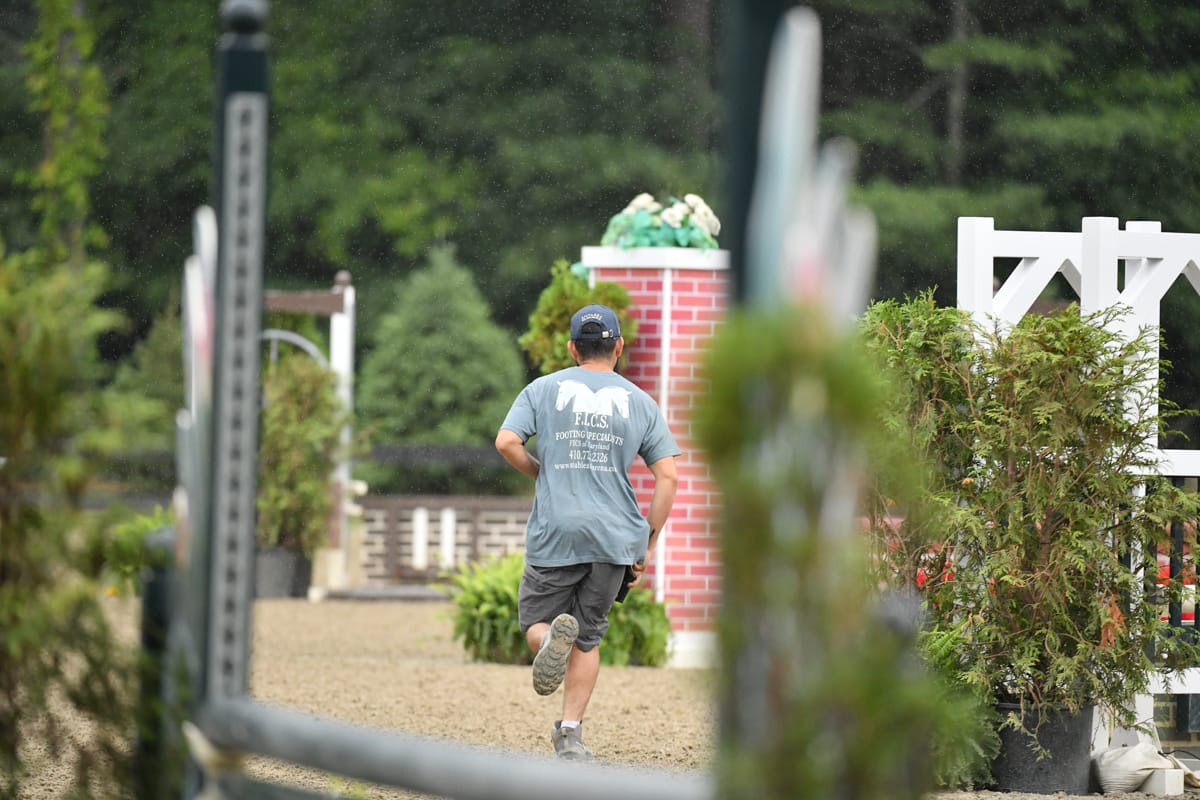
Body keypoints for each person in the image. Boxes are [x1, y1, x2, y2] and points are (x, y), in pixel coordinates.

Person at [495, 303, 680, 761]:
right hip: (615, 539)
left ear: (572, 348)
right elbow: (668, 476)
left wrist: (540, 471)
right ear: (619, 347)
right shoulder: (640, 402)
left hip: (556, 531)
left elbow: (506, 441)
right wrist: (648, 542)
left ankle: (546, 642)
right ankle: (570, 735)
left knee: (537, 623)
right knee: (588, 636)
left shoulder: (542, 389)